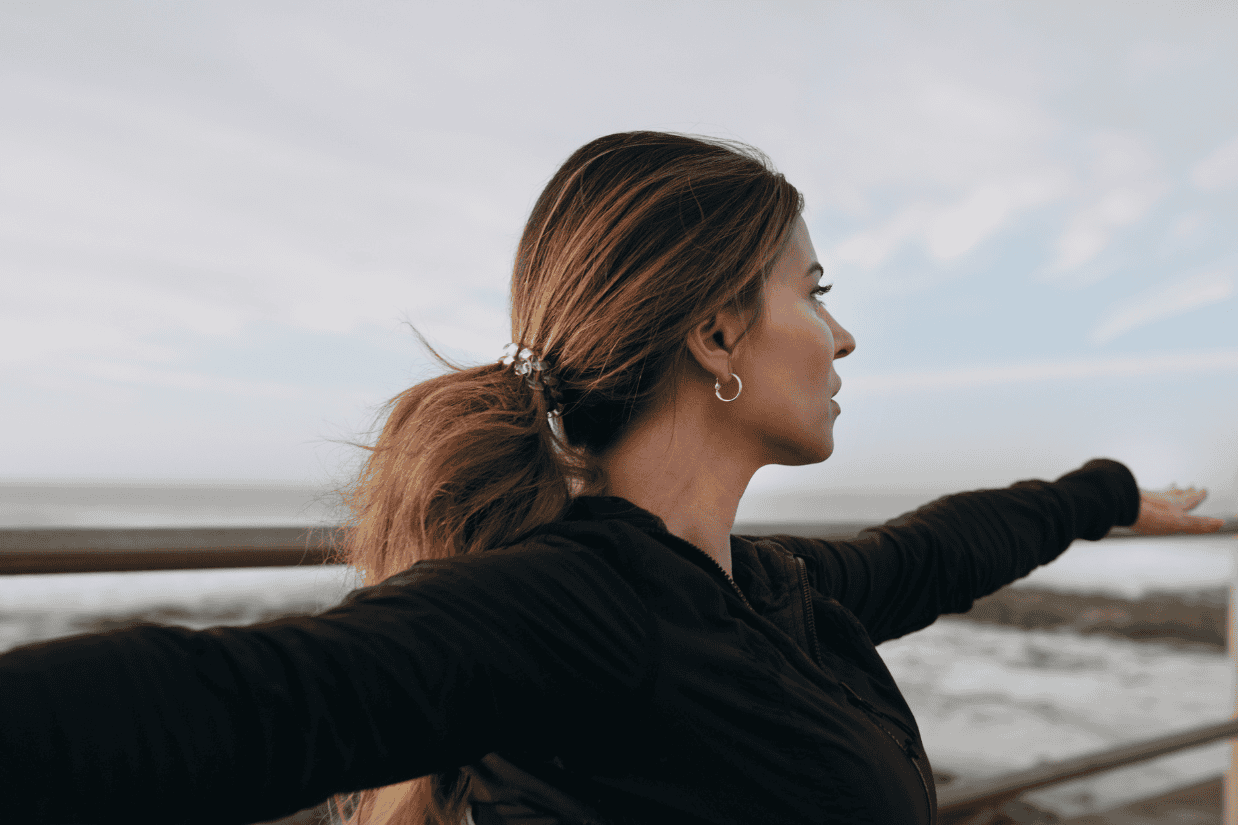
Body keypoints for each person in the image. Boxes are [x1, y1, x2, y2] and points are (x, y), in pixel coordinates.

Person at [0, 131, 1224, 825]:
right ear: (717, 333)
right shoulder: (579, 608)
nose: (842, 337)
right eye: (814, 293)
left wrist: (1108, 493)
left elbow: (940, 548)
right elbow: (247, 699)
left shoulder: (770, 589)